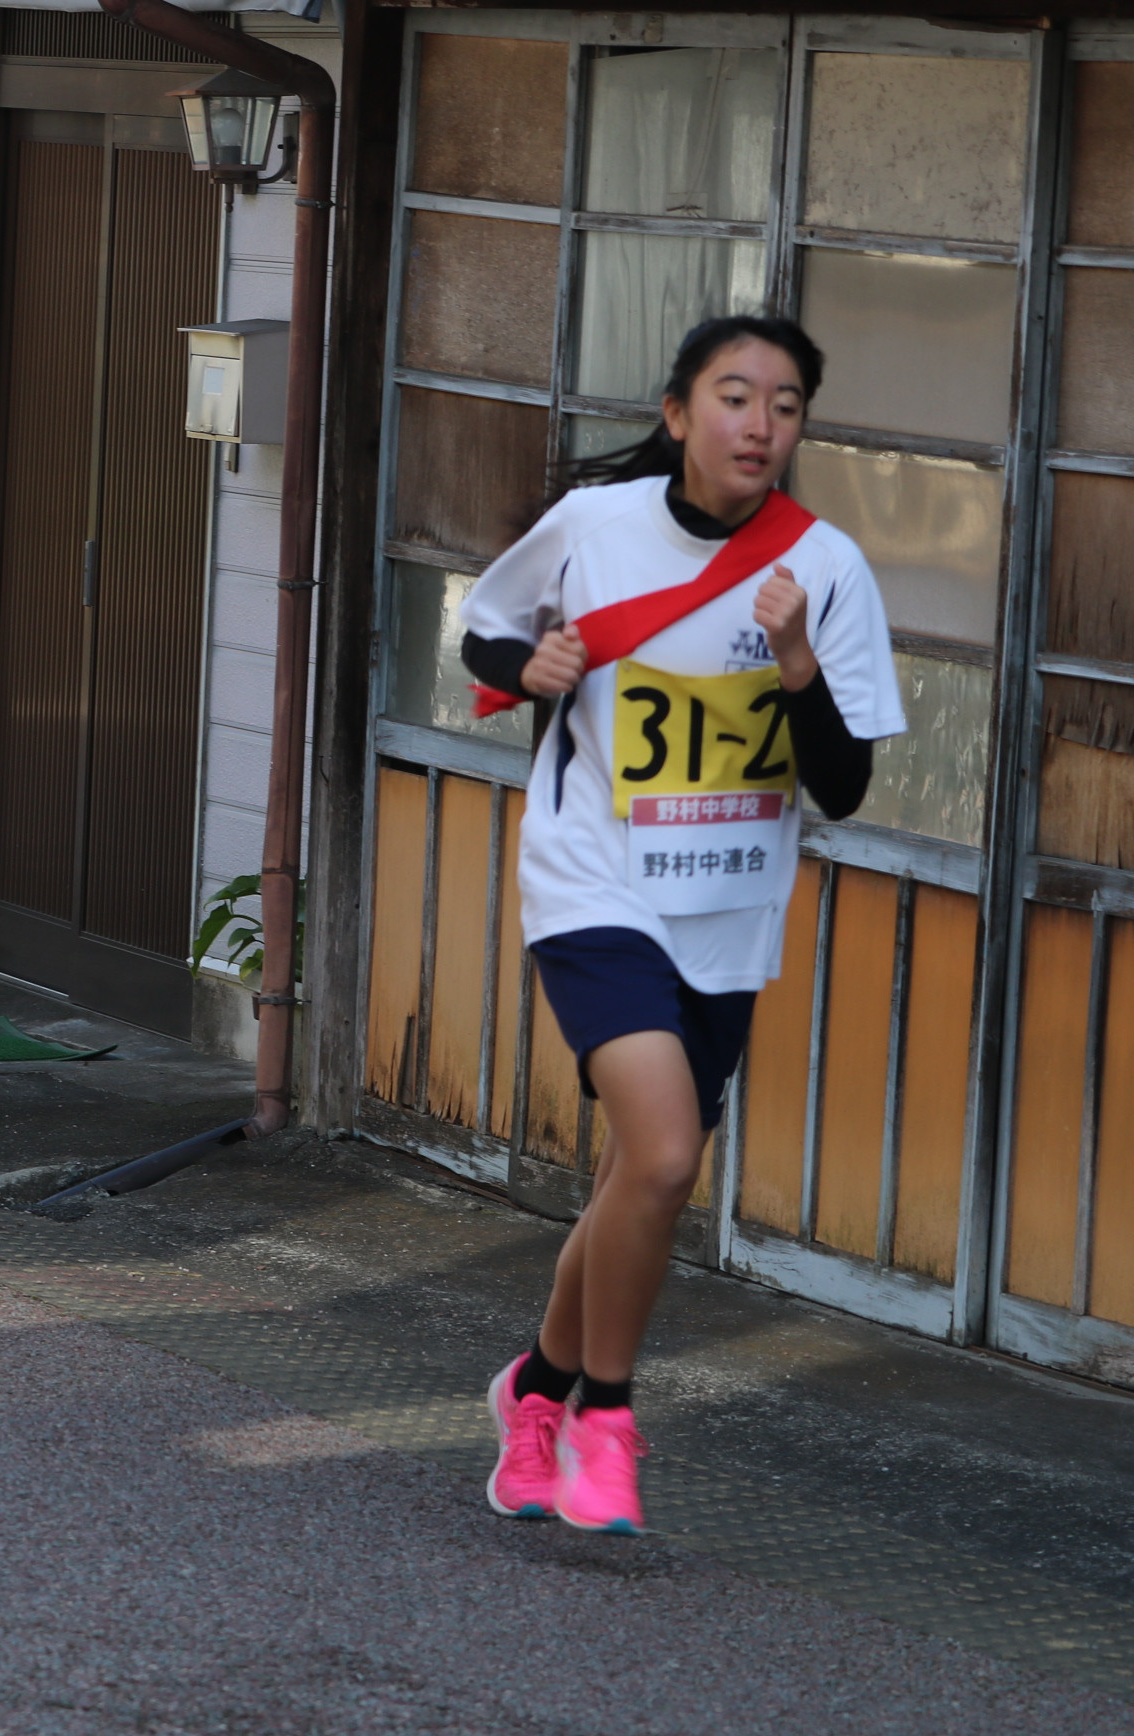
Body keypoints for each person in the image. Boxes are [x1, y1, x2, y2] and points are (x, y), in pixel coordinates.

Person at [456, 314, 906, 1534]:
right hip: (592, 882)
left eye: (786, 405)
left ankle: (533, 1392)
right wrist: (532, 665)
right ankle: (605, 1417)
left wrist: (796, 660)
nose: (760, 423)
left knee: (631, 1183)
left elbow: (843, 786)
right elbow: (485, 628)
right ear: (678, 412)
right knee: (662, 1158)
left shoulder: (825, 568)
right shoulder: (596, 528)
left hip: (724, 907)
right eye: (735, 396)